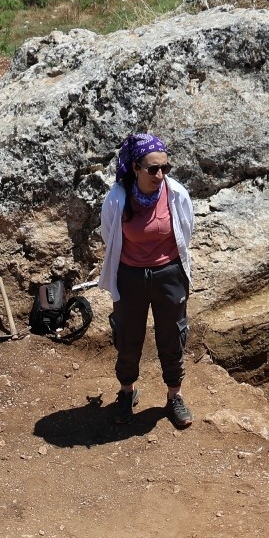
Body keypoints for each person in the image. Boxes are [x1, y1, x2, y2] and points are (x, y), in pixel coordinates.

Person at [98, 131, 196, 431]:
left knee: (172, 335)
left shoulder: (176, 193)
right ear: (136, 168)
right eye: (153, 168)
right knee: (128, 336)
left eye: (164, 167)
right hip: (130, 276)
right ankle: (127, 391)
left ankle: (174, 395)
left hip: (169, 274)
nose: (160, 174)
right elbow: (108, 235)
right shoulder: (117, 198)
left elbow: (186, 230)